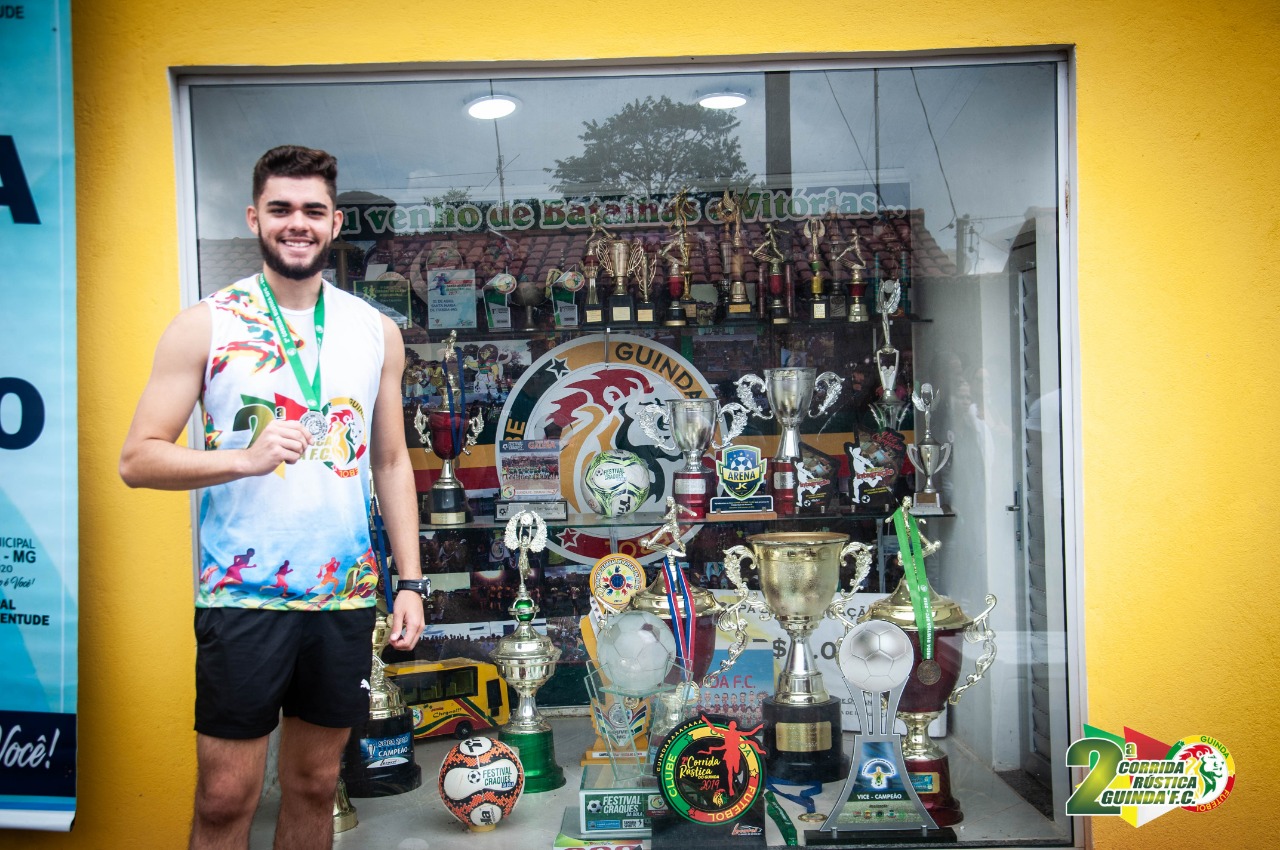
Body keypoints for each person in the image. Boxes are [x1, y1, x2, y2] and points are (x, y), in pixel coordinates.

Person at [119, 145, 425, 850]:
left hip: (344, 596)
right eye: (281, 208)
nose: (298, 223)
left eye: (313, 210)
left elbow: (389, 461)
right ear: (255, 217)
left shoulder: (375, 330)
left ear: (335, 223)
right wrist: (243, 459)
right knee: (226, 798)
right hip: (242, 596)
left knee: (317, 784)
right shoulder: (207, 323)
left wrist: (409, 582)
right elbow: (138, 459)